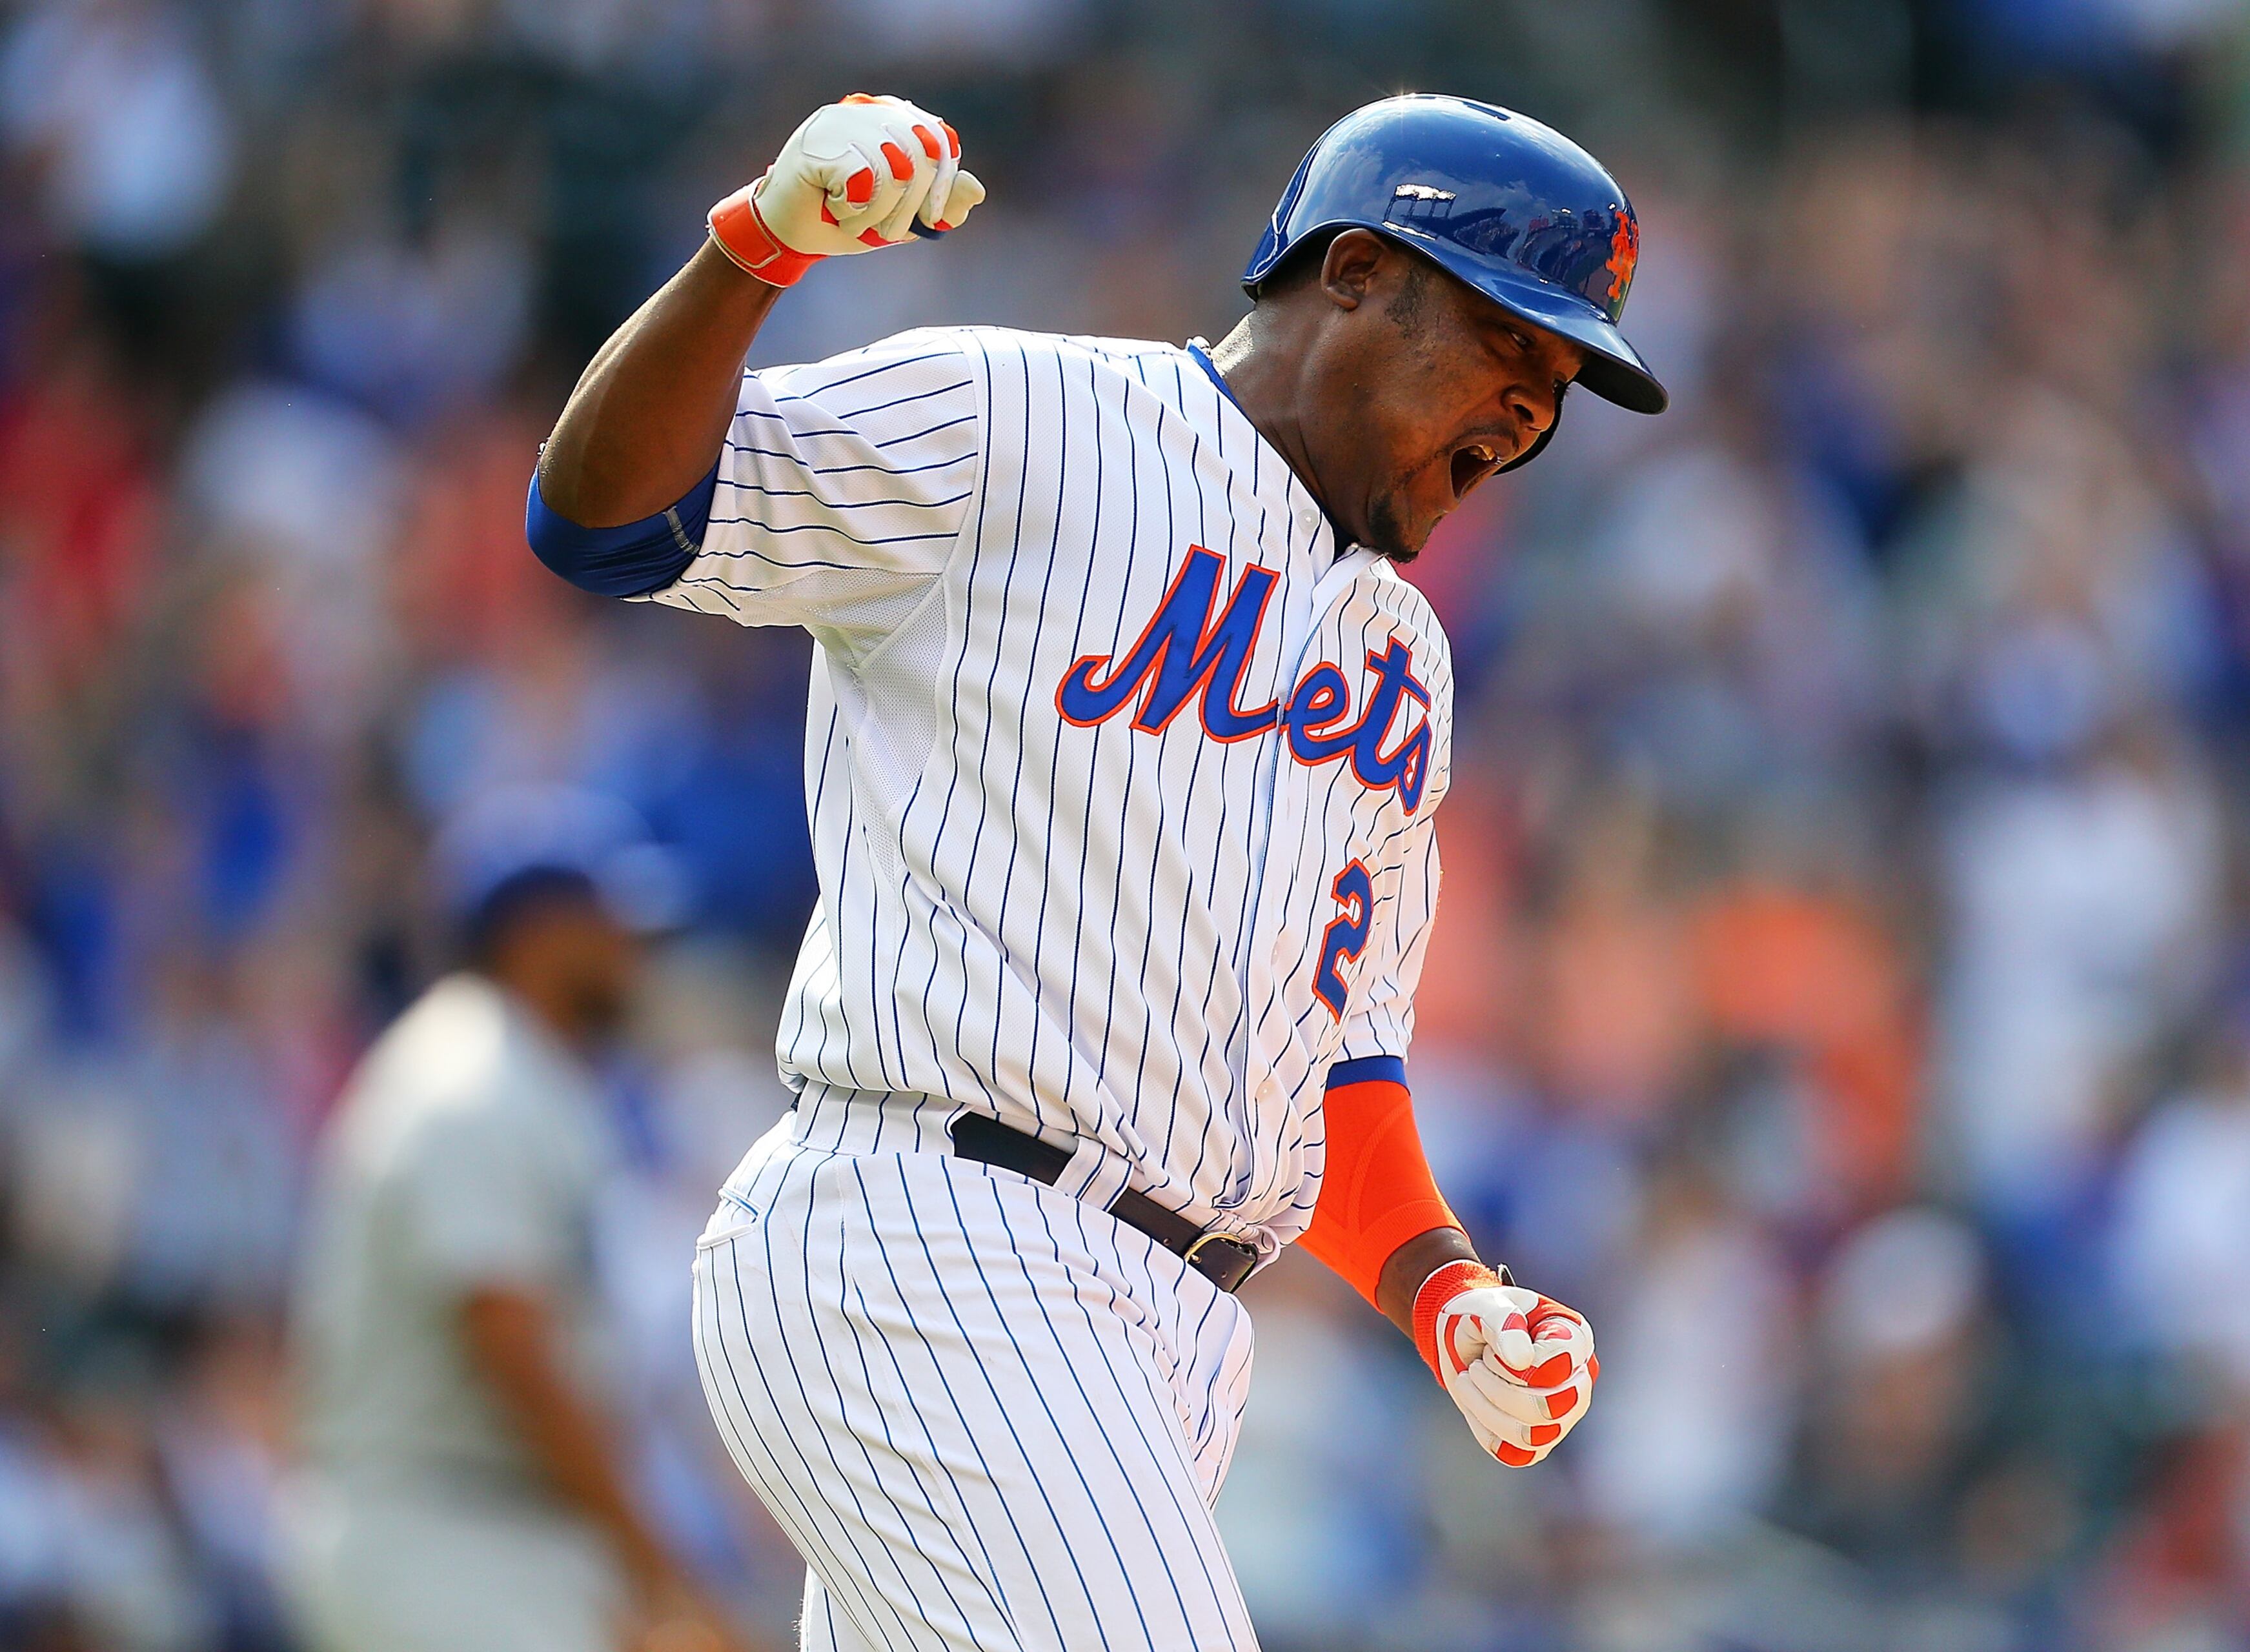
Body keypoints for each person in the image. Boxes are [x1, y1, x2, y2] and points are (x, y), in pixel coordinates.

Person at [527, 90, 1665, 1649]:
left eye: (1559, 386)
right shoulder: (1029, 421)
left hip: (1167, 1341)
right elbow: (606, 516)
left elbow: (1334, 1067)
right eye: (1507, 347)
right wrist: (757, 248)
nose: (1531, 414)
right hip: (933, 1242)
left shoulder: (1406, 655)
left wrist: (1441, 1289)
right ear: (1349, 271)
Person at [281, 791, 743, 1652]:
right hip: (441, 1526)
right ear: (536, 933)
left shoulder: (527, 1074)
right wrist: (659, 1573)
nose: (633, 952)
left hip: (494, 1531)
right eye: (610, 922)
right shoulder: (474, 1081)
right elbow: (512, 1348)